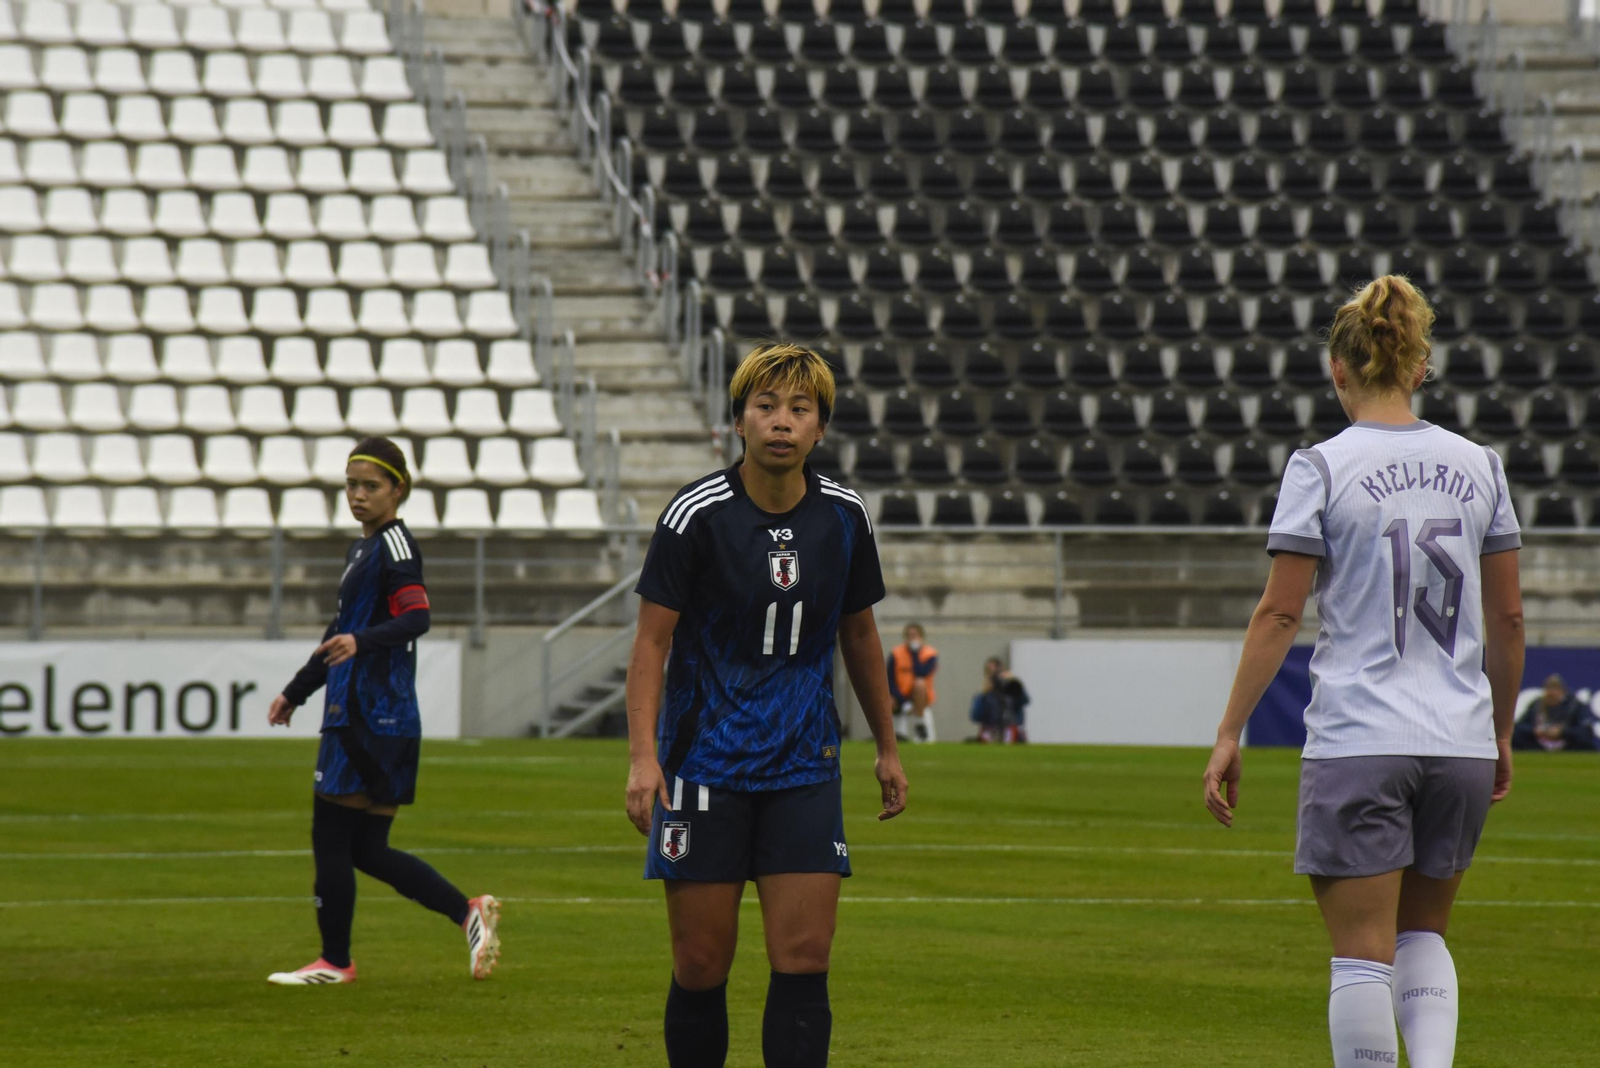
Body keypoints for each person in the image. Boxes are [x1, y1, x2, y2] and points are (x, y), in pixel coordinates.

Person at [1201, 276, 1524, 1068]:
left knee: (1361, 954)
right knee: (1424, 936)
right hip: (1459, 739)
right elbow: (1510, 620)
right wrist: (1502, 732)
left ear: (1338, 371)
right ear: (1419, 367)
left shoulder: (1321, 466)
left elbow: (1280, 614)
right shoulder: (1480, 464)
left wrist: (1229, 731)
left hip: (1360, 737)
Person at [623, 342, 909, 1068]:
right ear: (739, 422)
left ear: (821, 429)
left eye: (799, 409)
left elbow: (861, 632)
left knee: (805, 956)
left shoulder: (845, 515)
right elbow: (651, 644)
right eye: (766, 406)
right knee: (700, 962)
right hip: (701, 768)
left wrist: (887, 744)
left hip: (804, 765)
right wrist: (644, 760)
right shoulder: (695, 515)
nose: (781, 421)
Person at [265, 437, 501, 986]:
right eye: (351, 485)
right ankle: (467, 912)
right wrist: (298, 690)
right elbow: (337, 633)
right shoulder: (363, 549)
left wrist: (362, 643)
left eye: (371, 486)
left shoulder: (395, 548)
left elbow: (416, 617)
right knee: (367, 848)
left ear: (399, 489)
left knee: (331, 836)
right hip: (379, 717)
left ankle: (334, 962)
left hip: (366, 717)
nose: (358, 495)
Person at [1511, 674, 1597, 751]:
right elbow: (1520, 726)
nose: (1552, 692)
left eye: (1555, 688)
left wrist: (1562, 732)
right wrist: (1534, 731)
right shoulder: (1536, 705)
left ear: (1562, 691)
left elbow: (1585, 730)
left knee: (1585, 742)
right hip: (1538, 744)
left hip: (1568, 745)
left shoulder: (1574, 706)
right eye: (1549, 688)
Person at [887, 623, 939, 742]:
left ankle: (920, 727)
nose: (912, 638)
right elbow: (889, 679)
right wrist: (903, 701)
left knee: (919, 683)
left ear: (921, 636)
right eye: (909, 635)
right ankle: (893, 736)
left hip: (920, 697)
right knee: (888, 701)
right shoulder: (896, 653)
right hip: (900, 696)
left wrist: (914, 654)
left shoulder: (930, 654)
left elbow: (922, 672)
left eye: (915, 635)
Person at [968, 657, 1029, 744]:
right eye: (990, 672)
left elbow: (1025, 701)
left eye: (997, 672)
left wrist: (1014, 683)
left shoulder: (1012, 693)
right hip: (991, 732)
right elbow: (975, 716)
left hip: (1012, 732)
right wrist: (984, 694)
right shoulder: (984, 696)